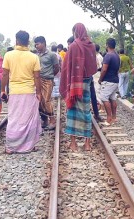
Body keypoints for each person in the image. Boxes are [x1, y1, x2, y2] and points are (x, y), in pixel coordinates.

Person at [1, 30, 42, 154]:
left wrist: (3, 90)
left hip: (14, 92)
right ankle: (29, 145)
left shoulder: (8, 55)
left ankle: (11, 146)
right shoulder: (34, 57)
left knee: (14, 118)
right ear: (28, 41)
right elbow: (37, 77)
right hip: (29, 91)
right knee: (29, 119)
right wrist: (39, 92)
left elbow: (4, 74)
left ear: (16, 40)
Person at [60, 23, 97, 151]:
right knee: (86, 111)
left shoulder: (74, 45)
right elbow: (93, 66)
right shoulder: (91, 46)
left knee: (72, 111)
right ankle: (87, 144)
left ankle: (73, 143)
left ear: (75, 32)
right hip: (87, 83)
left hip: (74, 84)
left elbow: (67, 67)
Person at [34, 36, 60, 130]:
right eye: (35, 44)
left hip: (48, 80)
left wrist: (50, 75)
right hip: (38, 80)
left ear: (43, 43)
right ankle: (44, 120)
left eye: (38, 44)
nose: (36, 46)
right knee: (39, 100)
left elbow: (57, 68)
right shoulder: (36, 56)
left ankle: (52, 120)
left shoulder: (51, 55)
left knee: (46, 100)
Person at [98, 38, 120, 125]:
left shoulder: (108, 55)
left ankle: (109, 119)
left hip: (108, 80)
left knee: (104, 98)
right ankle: (114, 117)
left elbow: (104, 69)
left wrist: (100, 79)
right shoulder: (117, 55)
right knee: (112, 98)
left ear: (107, 45)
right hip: (115, 80)